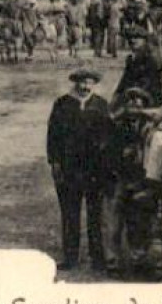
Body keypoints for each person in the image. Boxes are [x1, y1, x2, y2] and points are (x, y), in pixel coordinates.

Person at [46, 68, 113, 271]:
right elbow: (53, 136)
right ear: (75, 83)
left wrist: (106, 166)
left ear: (94, 84)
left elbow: (109, 138)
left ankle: (97, 258)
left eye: (89, 83)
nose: (85, 87)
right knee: (70, 213)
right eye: (82, 83)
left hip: (94, 170)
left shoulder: (101, 105)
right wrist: (55, 163)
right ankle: (71, 258)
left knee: (96, 214)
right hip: (69, 169)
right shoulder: (62, 104)